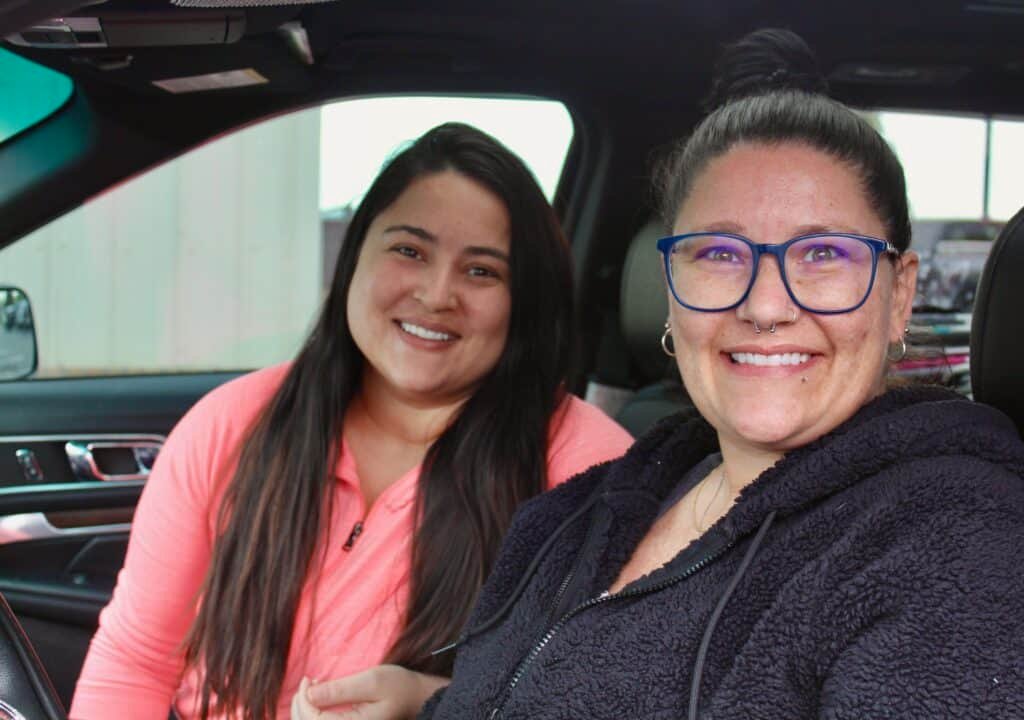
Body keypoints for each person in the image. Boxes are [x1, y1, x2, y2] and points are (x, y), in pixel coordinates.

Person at [416, 31, 1024, 720]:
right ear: (670, 286)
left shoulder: (963, 546)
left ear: (899, 296)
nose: (765, 305)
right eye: (720, 254)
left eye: (824, 252)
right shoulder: (573, 515)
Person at [70, 122, 633, 720]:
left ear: (525, 300)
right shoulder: (232, 423)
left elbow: (604, 698)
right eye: (409, 251)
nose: (437, 294)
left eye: (482, 271)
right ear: (355, 256)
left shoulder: (588, 469)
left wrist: (436, 703)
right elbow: (136, 660)